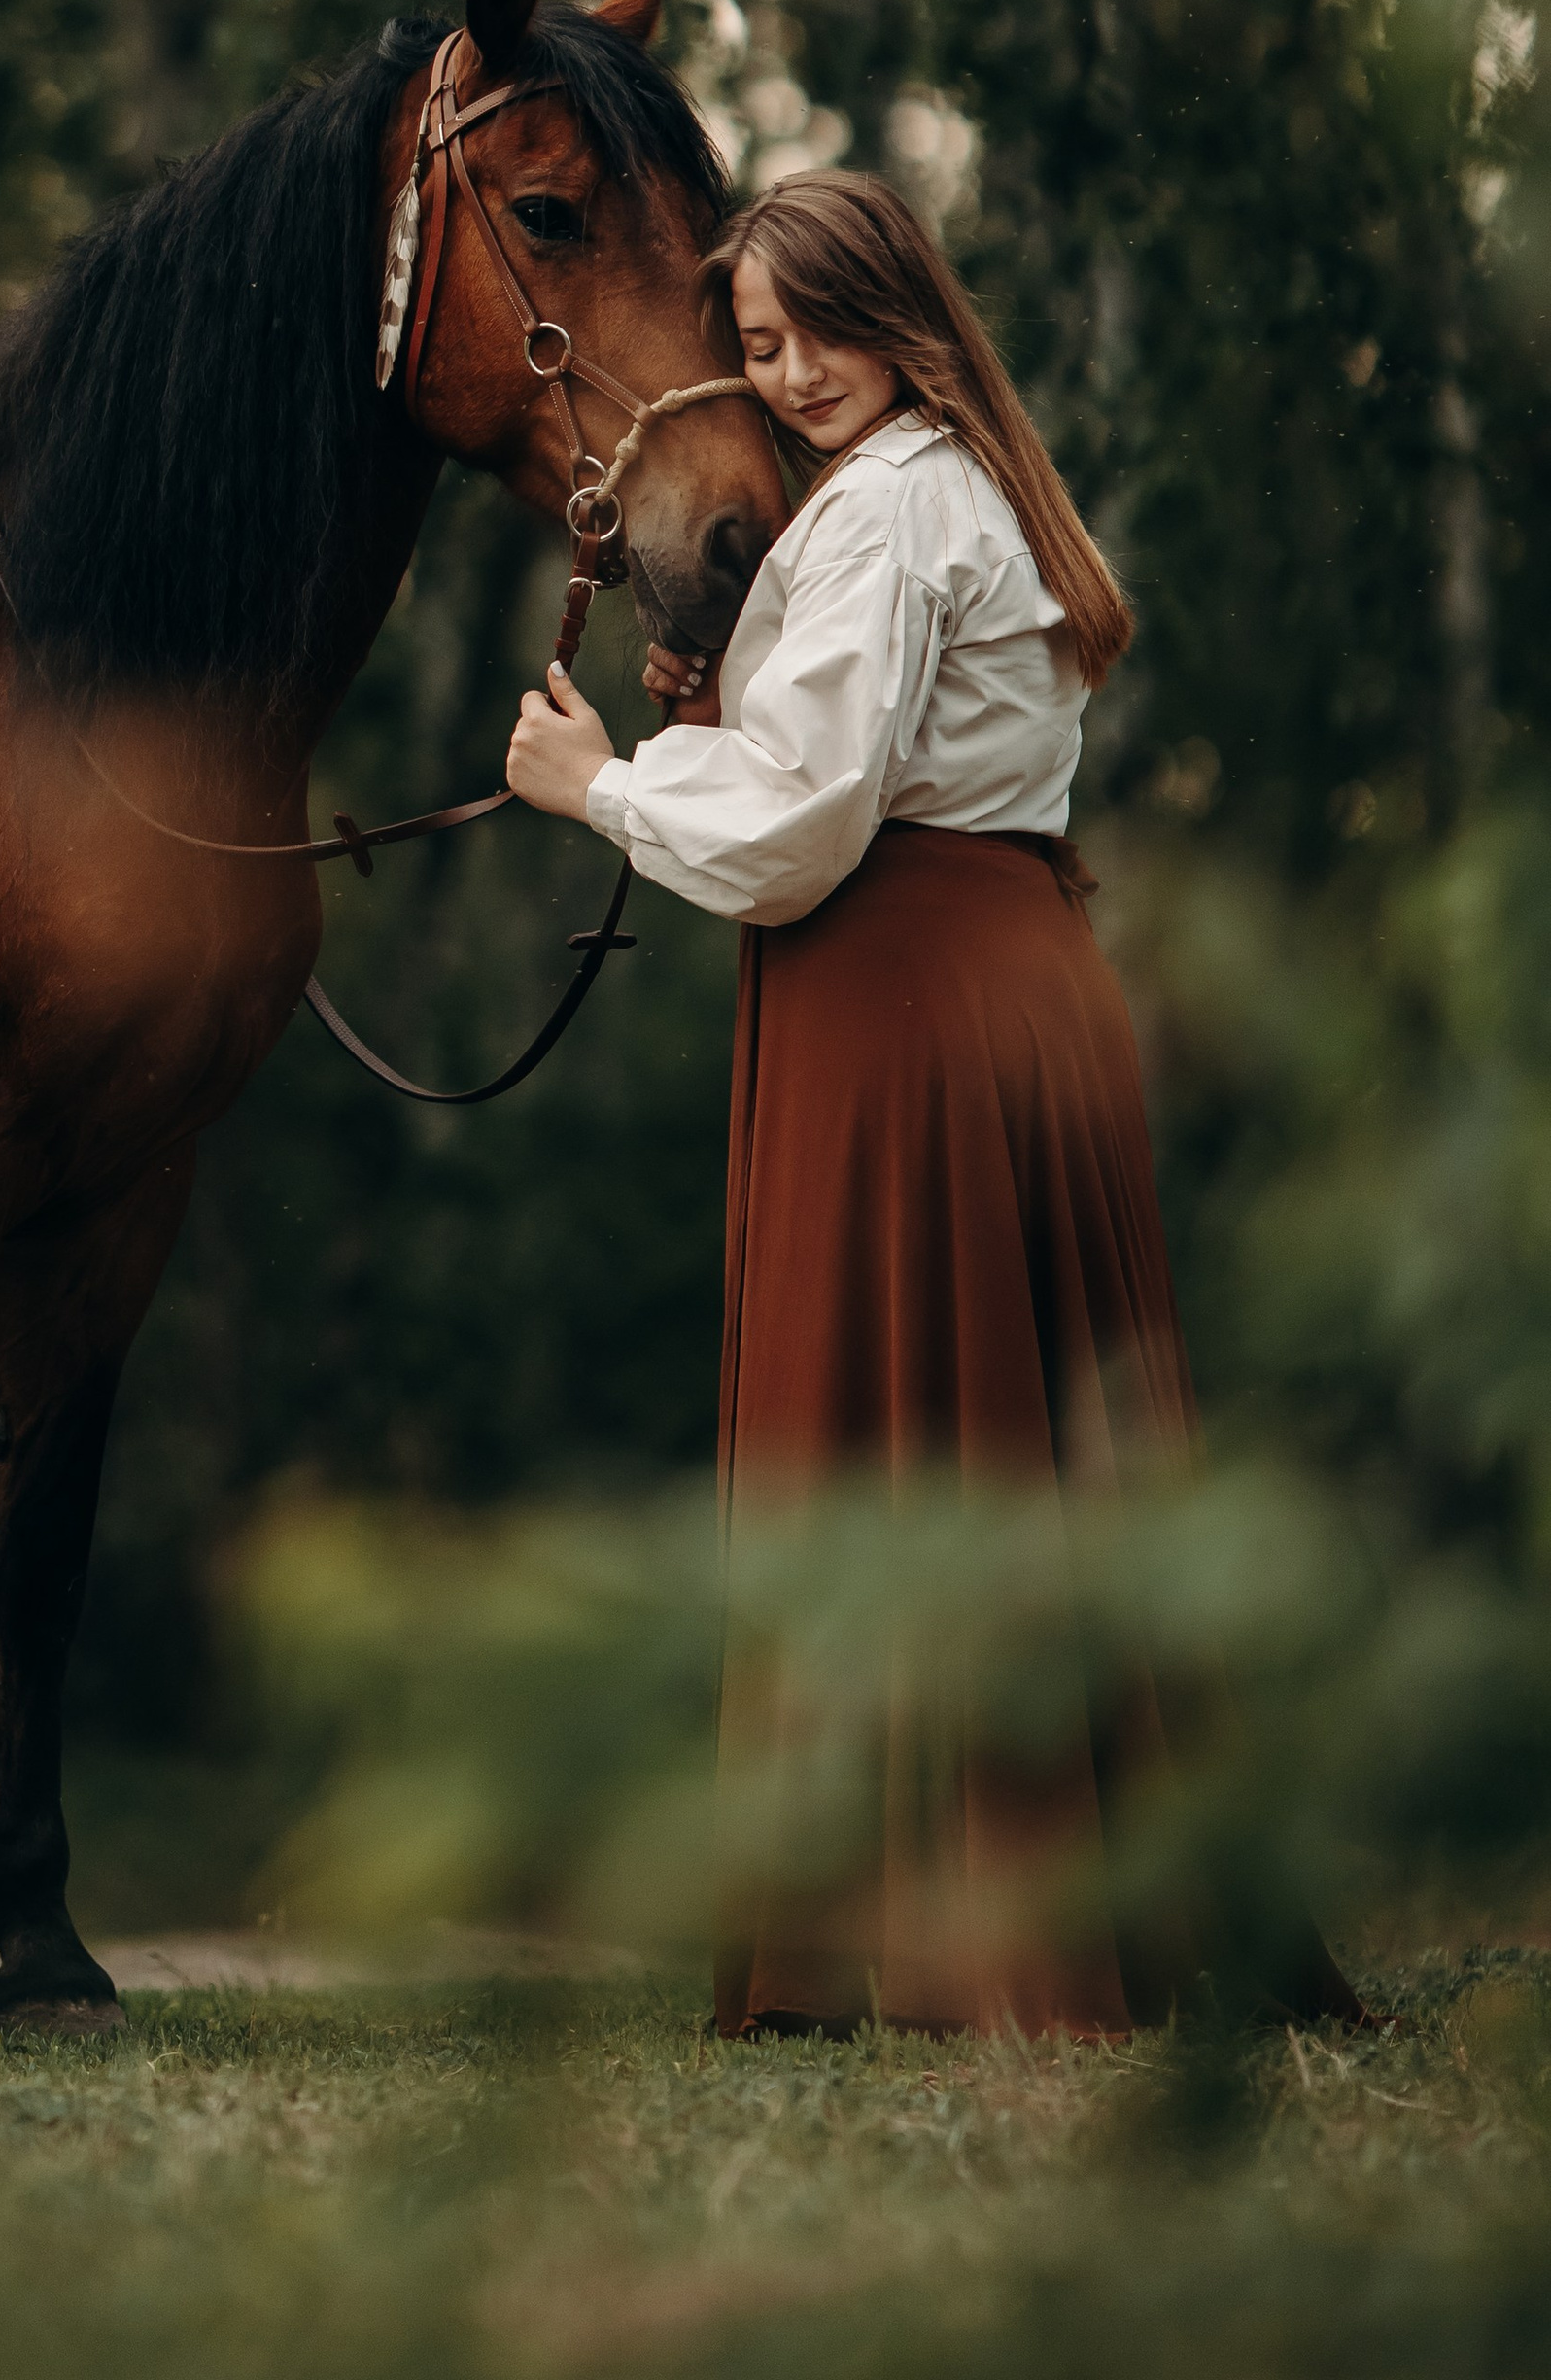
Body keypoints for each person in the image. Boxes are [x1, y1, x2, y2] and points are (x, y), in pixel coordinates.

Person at [505, 169, 1356, 2039]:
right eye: (757, 345)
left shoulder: (892, 507)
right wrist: (712, 715)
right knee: (1013, 1440)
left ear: (898, 309)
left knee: (906, 1434)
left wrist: (603, 785)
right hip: (996, 976)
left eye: (818, 328)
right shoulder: (956, 483)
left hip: (906, 994)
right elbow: (861, 760)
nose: (792, 370)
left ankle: (966, 1917)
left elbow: (812, 821)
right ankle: (1059, 1889)